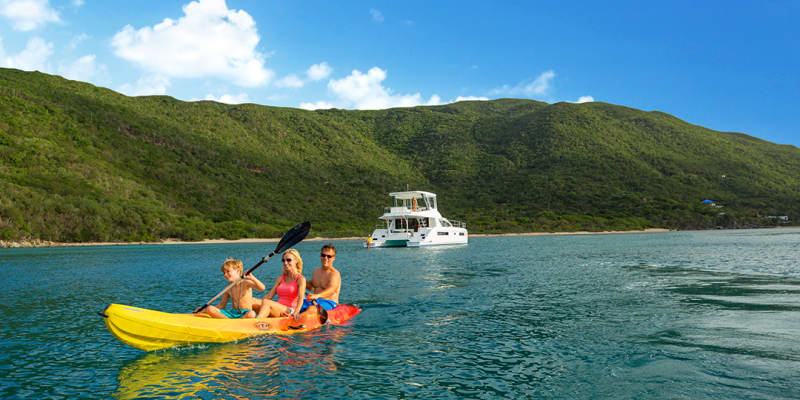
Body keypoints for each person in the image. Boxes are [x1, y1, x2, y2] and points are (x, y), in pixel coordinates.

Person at [256, 249, 306, 320]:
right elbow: (270, 295)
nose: (285, 263)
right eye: (283, 260)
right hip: (278, 308)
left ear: (296, 261)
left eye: (288, 260)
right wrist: (258, 302)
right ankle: (245, 318)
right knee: (252, 300)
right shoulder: (280, 278)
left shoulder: (301, 279)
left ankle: (256, 322)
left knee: (266, 302)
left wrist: (296, 312)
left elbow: (301, 298)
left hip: (289, 310)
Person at [301, 243, 341, 313]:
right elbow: (311, 286)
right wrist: (300, 279)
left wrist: (317, 295)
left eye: (329, 256)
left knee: (312, 309)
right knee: (295, 305)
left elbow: (332, 290)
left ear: (334, 258)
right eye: (323, 255)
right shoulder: (316, 271)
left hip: (330, 303)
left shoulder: (334, 274)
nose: (325, 258)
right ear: (320, 256)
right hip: (314, 301)